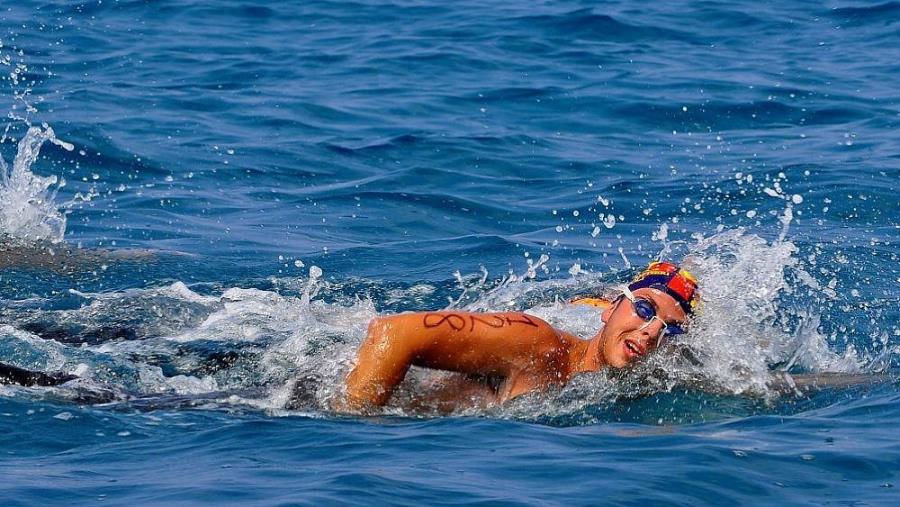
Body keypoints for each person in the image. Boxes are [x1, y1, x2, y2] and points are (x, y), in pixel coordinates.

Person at [343, 261, 700, 410]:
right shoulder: (535, 344)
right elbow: (393, 332)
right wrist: (353, 426)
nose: (652, 331)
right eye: (644, 309)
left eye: (672, 329)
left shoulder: (650, 382)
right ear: (609, 308)